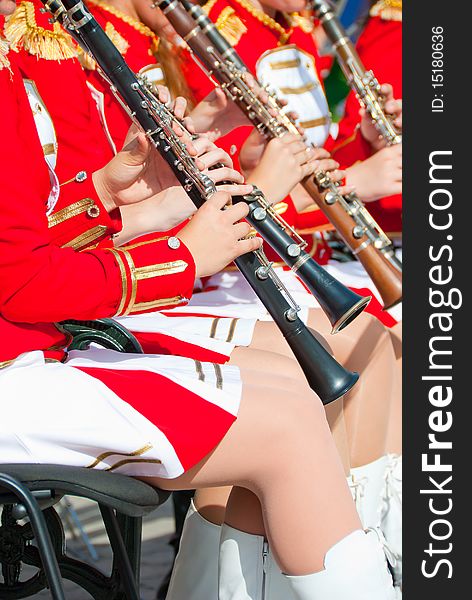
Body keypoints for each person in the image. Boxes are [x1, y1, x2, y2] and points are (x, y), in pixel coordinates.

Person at [0, 3, 398, 598]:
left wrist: (115, 197)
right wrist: (181, 256)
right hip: (27, 356)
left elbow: (28, 233)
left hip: (38, 342)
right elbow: (23, 281)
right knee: (289, 419)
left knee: (300, 383)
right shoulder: (34, 45)